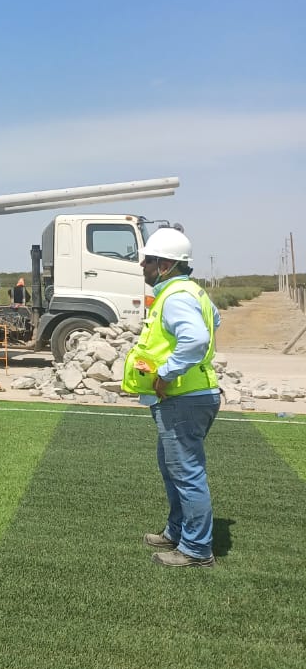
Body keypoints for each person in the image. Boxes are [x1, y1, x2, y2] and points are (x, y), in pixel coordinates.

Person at [122, 228, 220, 568]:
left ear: (164, 265)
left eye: (147, 260)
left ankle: (196, 549)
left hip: (183, 397)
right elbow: (214, 321)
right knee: (174, 469)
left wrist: (166, 373)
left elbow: (195, 339)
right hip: (190, 395)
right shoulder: (192, 292)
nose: (142, 266)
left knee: (186, 472)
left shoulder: (175, 297)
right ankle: (177, 531)